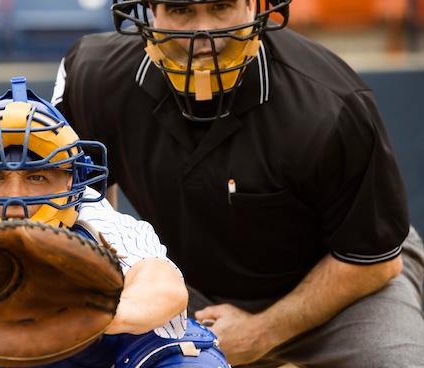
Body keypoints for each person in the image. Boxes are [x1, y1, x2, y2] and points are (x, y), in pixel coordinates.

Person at [53, 0, 424, 366]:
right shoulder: (95, 75)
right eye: (181, 10)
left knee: (396, 361)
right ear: (151, 11)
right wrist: (124, 273)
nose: (204, 34)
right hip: (179, 280)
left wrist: (264, 331)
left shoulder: (330, 103)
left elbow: (373, 259)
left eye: (221, 7)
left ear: (254, 7)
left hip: (338, 282)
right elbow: (80, 195)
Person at [0, 77, 229, 368]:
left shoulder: (104, 227)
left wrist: (87, 318)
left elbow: (163, 288)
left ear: (71, 183)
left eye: (38, 177)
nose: (15, 201)